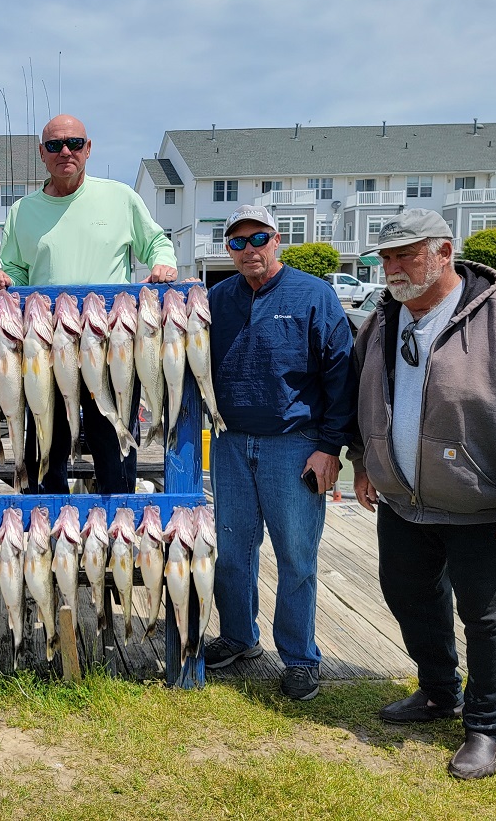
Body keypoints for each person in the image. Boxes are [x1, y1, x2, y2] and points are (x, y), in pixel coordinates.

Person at [349, 208, 496, 779]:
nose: (394, 267)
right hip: (405, 502)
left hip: (485, 507)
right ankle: (437, 692)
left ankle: (487, 728)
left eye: (407, 254)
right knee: (409, 597)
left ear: (444, 252)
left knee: (493, 618)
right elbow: (365, 398)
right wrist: (364, 462)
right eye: (387, 256)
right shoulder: (383, 319)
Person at [203, 204, 354, 701]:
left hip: (295, 444)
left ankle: (299, 656)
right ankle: (240, 637)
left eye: (259, 238)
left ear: (278, 239)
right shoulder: (216, 299)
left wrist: (330, 448)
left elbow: (340, 376)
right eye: (238, 243)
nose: (250, 250)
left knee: (296, 556)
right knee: (231, 552)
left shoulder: (315, 294)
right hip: (228, 442)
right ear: (229, 250)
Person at [0, 114, 177, 494]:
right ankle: (49, 537)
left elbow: (156, 243)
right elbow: (17, 274)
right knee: (45, 449)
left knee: (113, 448)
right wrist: (3, 280)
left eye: (74, 143)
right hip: (43, 350)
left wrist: (163, 264)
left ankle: (118, 531)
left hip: (112, 349)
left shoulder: (121, 197)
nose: (65, 151)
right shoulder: (22, 212)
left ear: (89, 149)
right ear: (42, 153)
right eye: (54, 145)